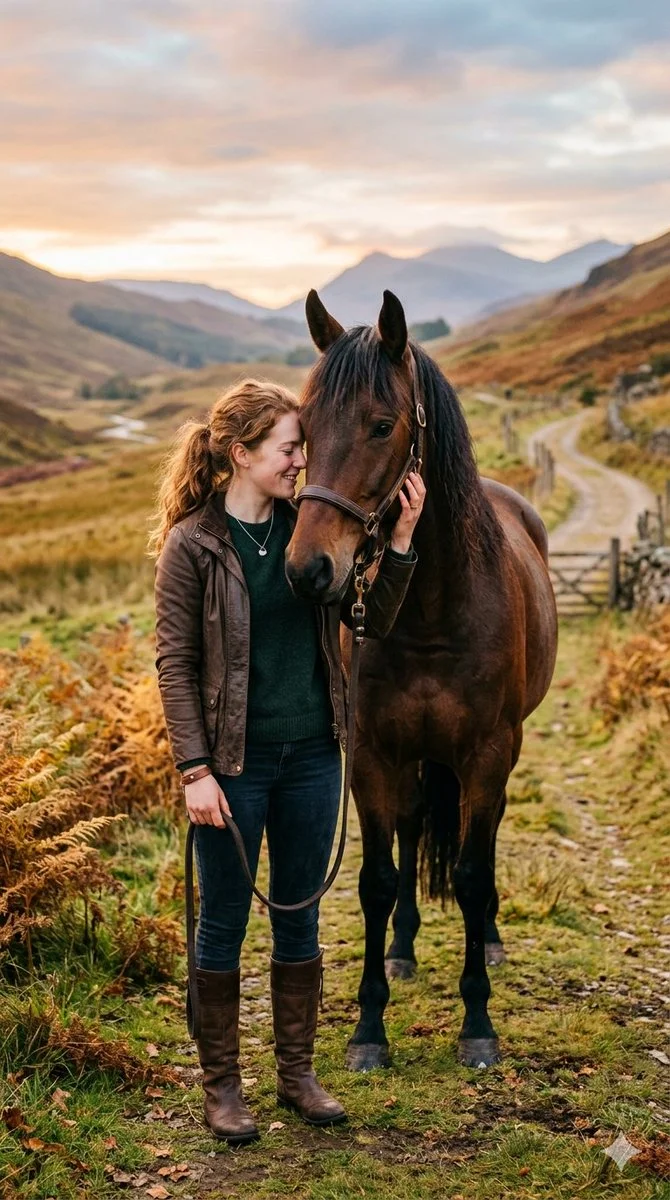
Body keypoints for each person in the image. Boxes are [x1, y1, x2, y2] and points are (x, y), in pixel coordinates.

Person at [151, 378, 425, 1144]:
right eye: (289, 448)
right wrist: (194, 771)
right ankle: (222, 1090)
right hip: (232, 767)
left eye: (300, 447)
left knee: (300, 922)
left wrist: (398, 546)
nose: (303, 461)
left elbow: (367, 621)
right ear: (241, 454)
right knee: (223, 929)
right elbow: (174, 664)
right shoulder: (193, 544)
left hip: (312, 755)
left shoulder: (306, 533)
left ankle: (297, 1075)